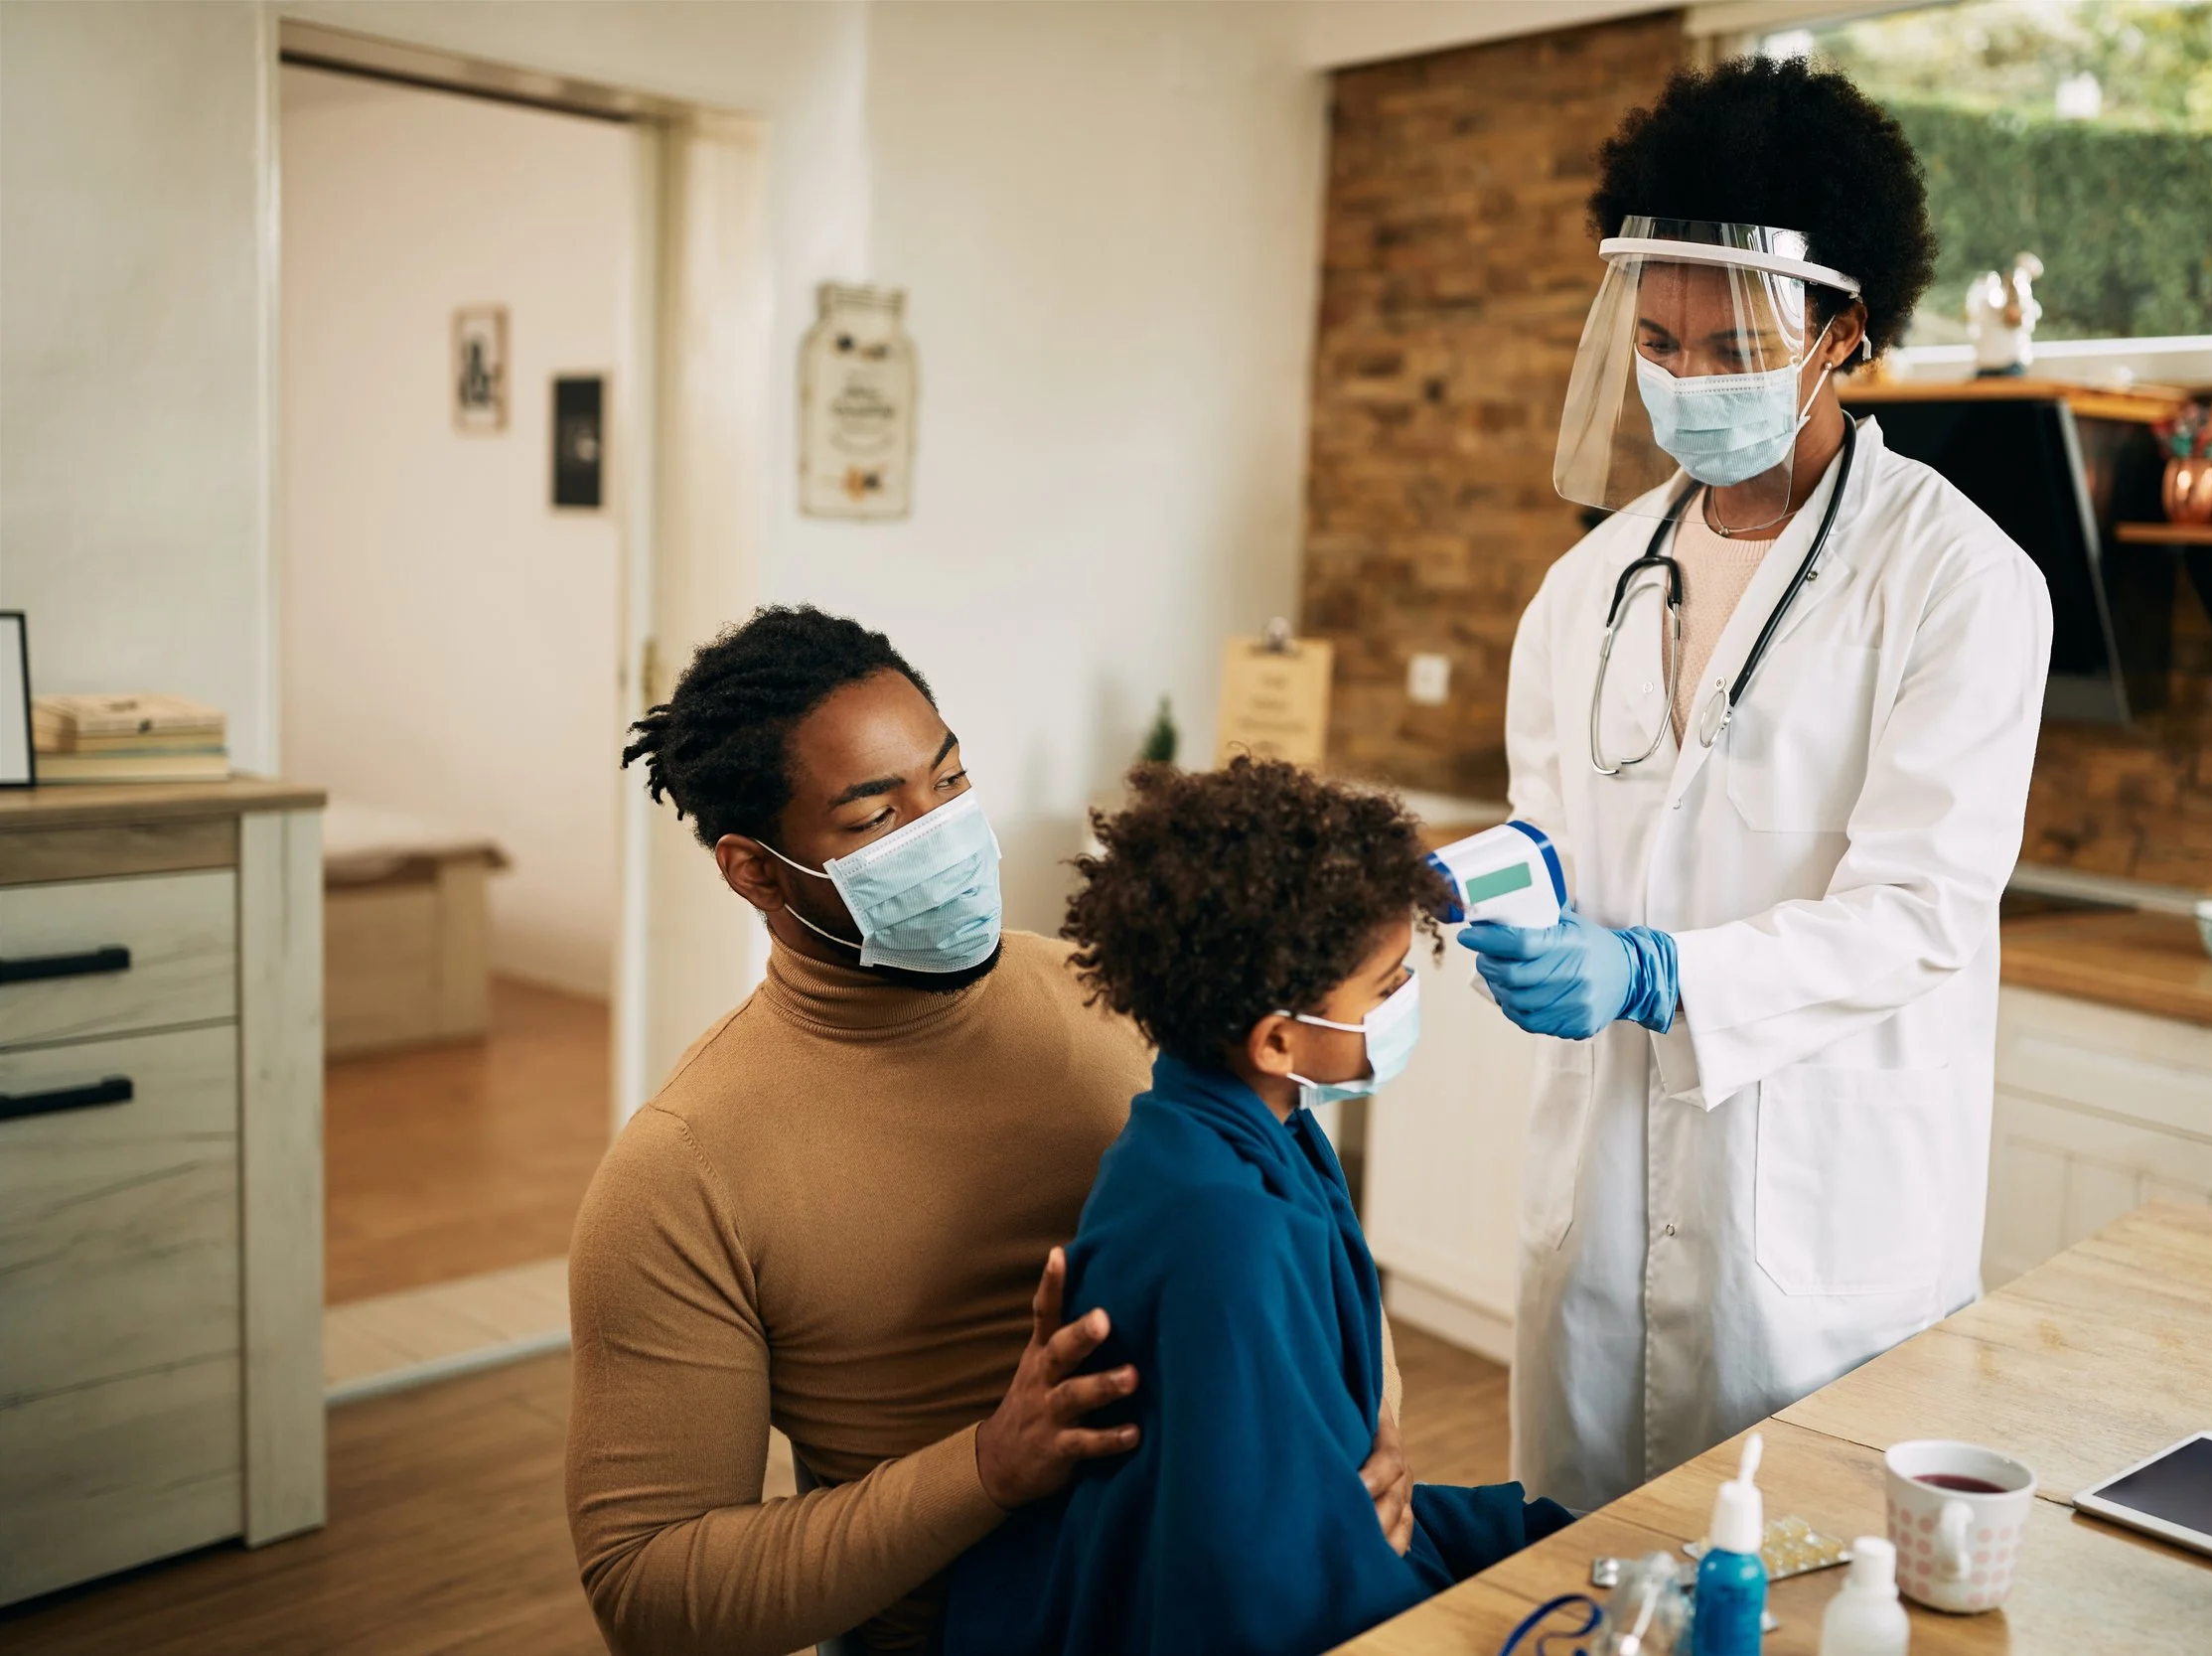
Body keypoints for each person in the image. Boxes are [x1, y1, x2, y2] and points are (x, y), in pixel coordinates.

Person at [564, 609, 1410, 1656]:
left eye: (950, 782)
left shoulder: (1116, 996)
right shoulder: (683, 1169)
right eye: (876, 818)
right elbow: (650, 1593)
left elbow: (1302, 1229)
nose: (941, 832)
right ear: (756, 870)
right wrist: (988, 1463)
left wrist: (1360, 1433)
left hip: (1262, 1579)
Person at [1464, 58, 2053, 1511]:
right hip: (1597, 1215)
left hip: (1810, 1232)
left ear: (1843, 330)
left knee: (1789, 1568)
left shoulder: (1959, 581)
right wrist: (1503, 897)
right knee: (1577, 1568)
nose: (1685, 378)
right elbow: (1558, 831)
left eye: (1731, 343)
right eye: (1658, 340)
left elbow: (1922, 910)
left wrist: (1661, 971)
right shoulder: (1588, 587)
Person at [944, 759, 1570, 1656]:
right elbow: (1252, 1584)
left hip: (1306, 1540)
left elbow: (1313, 1458)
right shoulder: (1220, 1226)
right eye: (1387, 984)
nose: (1405, 998)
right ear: (1278, 1039)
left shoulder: (1248, 1128)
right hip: (1224, 1598)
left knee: (1563, 1534)